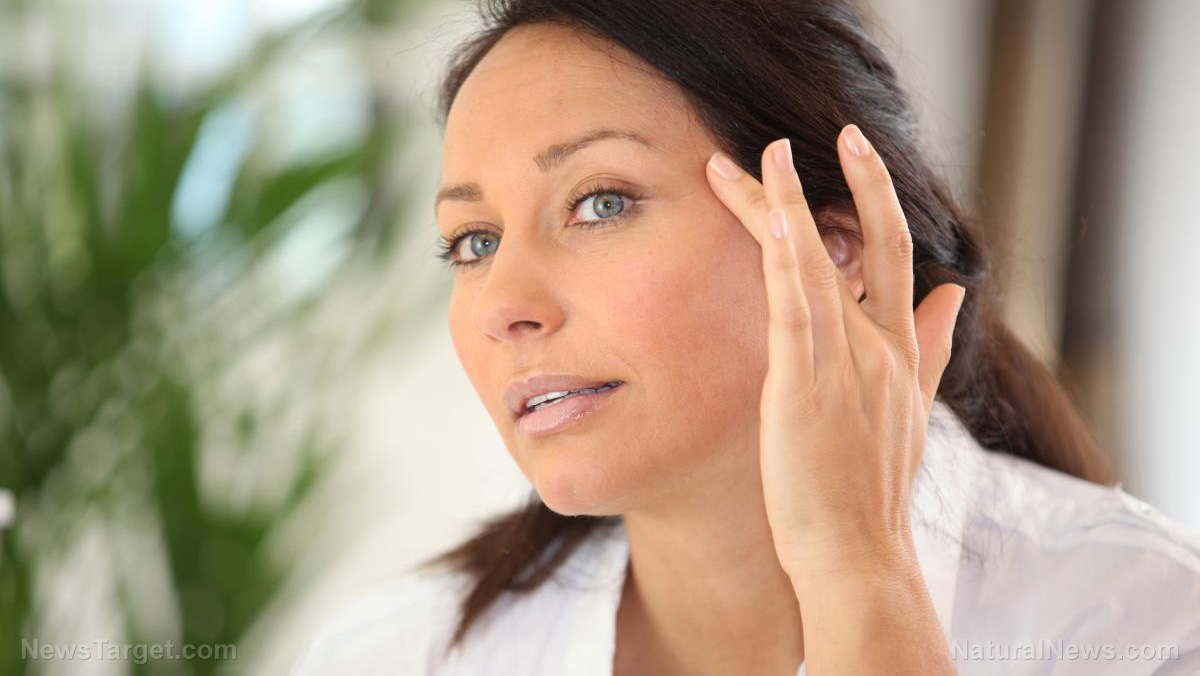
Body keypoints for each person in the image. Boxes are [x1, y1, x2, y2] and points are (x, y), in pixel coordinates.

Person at [291, 0, 1200, 674]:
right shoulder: (396, 655)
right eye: (474, 242)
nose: (504, 305)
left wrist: (859, 570)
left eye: (600, 203)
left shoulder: (1137, 627)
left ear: (836, 246)